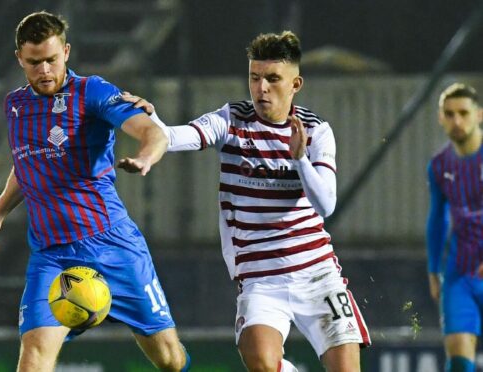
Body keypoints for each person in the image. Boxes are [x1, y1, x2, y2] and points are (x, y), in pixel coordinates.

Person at [122, 31, 370, 372]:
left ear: (295, 84)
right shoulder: (231, 120)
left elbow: (326, 204)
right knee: (261, 362)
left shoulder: (315, 131)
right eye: (254, 78)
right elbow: (180, 136)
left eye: (272, 79)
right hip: (260, 278)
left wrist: (299, 159)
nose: (261, 88)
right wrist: (150, 122)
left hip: (317, 274)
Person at [0, 11, 190, 372]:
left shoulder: (93, 92)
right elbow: (27, 166)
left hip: (113, 245)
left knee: (169, 359)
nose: (44, 70)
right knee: (33, 359)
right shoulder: (15, 106)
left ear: (67, 52)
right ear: (19, 59)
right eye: (34, 62)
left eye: (51, 60)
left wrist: (146, 158)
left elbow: (154, 132)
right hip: (52, 256)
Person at [426, 83, 483, 372]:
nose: (456, 121)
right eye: (449, 114)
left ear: (479, 115)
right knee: (460, 362)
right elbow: (437, 218)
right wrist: (434, 269)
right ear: (440, 118)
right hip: (459, 274)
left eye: (463, 113)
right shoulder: (439, 165)